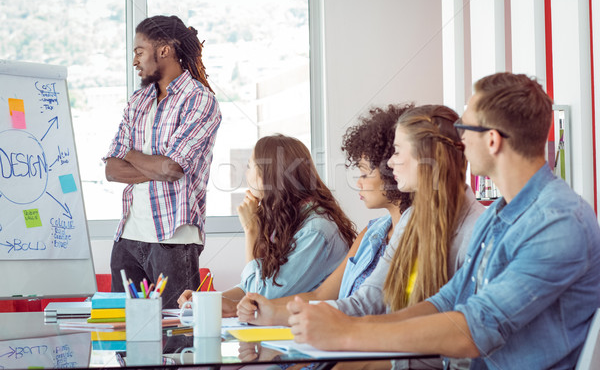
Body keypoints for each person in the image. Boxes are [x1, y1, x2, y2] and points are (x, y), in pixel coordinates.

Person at [287, 73, 600, 370]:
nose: (459, 139)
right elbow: (447, 301)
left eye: (466, 127)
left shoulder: (558, 223)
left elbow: (476, 327)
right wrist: (353, 326)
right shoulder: (499, 214)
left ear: (492, 140)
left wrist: (347, 335)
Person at [236, 104, 413, 327]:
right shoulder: (371, 233)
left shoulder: (317, 229)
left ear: (393, 172)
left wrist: (251, 231)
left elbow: (360, 306)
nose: (357, 182)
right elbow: (321, 296)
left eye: (364, 173)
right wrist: (227, 302)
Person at [103, 15, 221, 308]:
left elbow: (172, 169)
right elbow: (111, 170)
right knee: (125, 341)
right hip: (128, 239)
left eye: (139, 51)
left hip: (173, 237)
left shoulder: (199, 100)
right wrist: (151, 164)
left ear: (164, 50)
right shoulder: (138, 101)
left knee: (176, 340)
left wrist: (128, 153)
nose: (134, 61)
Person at [178, 134, 356, 316]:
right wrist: (205, 301)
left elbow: (260, 296)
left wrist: (251, 231)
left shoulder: (316, 230)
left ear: (268, 175)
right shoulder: (288, 220)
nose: (246, 174)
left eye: (249, 166)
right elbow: (251, 285)